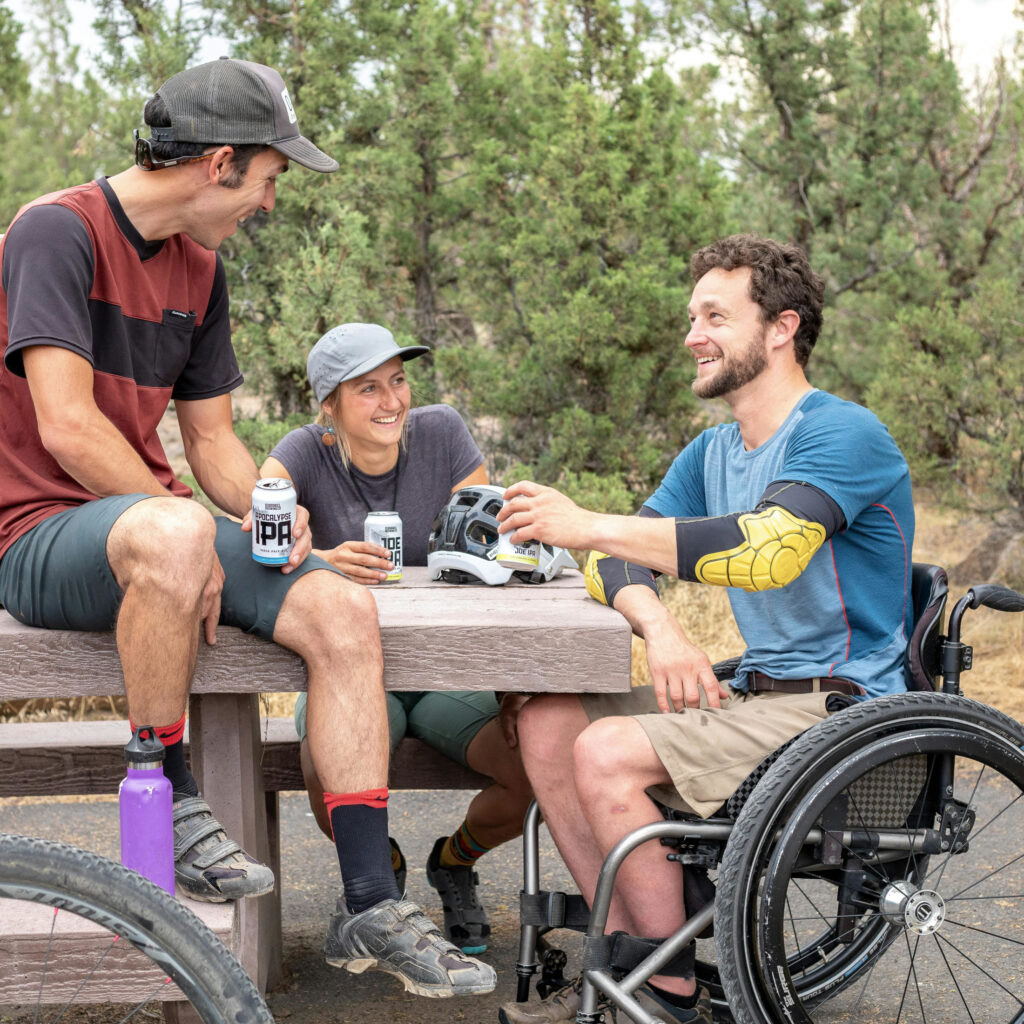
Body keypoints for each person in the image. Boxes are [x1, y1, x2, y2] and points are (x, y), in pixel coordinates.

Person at [0, 57, 494, 999]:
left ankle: (365, 899)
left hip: (149, 525)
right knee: (176, 539)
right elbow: (65, 425)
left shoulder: (200, 268)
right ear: (219, 162)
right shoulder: (54, 232)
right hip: (33, 531)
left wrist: (272, 512)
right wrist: (180, 519)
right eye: (270, 178)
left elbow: (215, 441)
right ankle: (170, 796)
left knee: (343, 610)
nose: (269, 202)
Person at [495, 234, 915, 1024]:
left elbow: (769, 552)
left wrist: (588, 523)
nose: (693, 334)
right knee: (548, 719)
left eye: (716, 316)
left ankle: (665, 994)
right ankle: (633, 959)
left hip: (843, 706)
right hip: (757, 692)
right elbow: (608, 566)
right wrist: (659, 627)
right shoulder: (713, 449)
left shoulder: (843, 434)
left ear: (781, 328)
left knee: (606, 751)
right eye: (693, 316)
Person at [259, 321, 534, 955]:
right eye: (368, 389)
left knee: (535, 766)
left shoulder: (442, 433)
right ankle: (382, 875)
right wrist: (318, 558)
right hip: (345, 675)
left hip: (444, 676)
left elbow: (489, 553)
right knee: (328, 777)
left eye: (399, 381)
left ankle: (453, 862)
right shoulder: (301, 451)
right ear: (329, 405)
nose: (392, 402)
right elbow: (255, 537)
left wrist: (512, 683)